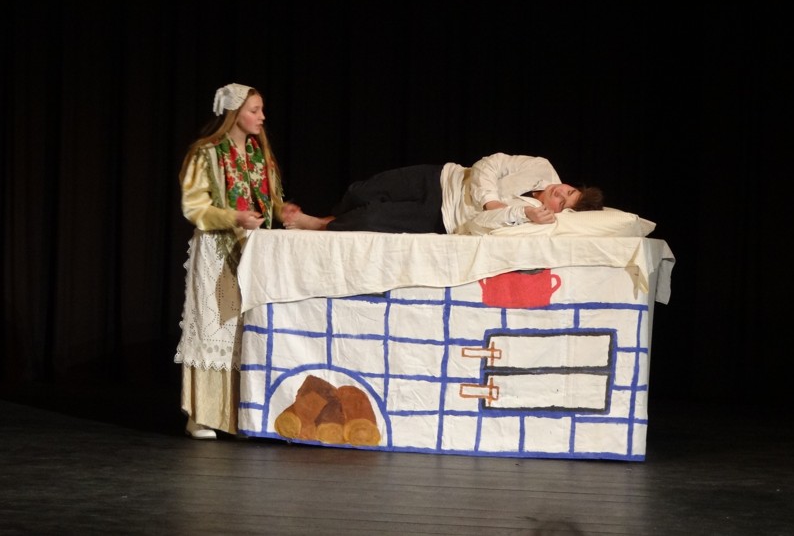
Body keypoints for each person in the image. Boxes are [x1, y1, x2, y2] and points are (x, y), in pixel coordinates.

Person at [174, 83, 285, 440]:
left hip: (253, 249)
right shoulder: (205, 153)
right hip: (217, 248)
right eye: (254, 110)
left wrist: (288, 214)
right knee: (214, 325)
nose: (261, 117)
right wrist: (233, 217)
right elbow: (194, 206)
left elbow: (270, 203)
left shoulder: (258, 155)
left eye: (261, 109)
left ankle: (241, 415)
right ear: (234, 113)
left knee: (246, 330)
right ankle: (202, 414)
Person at [281, 152, 603, 235]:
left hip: (443, 217)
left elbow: (479, 224)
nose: (559, 191)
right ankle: (327, 219)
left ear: (559, 211)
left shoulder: (535, 219)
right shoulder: (542, 167)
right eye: (568, 190)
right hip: (443, 177)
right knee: (362, 191)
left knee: (371, 218)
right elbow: (490, 164)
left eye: (563, 200)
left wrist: (521, 212)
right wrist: (490, 200)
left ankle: (318, 224)